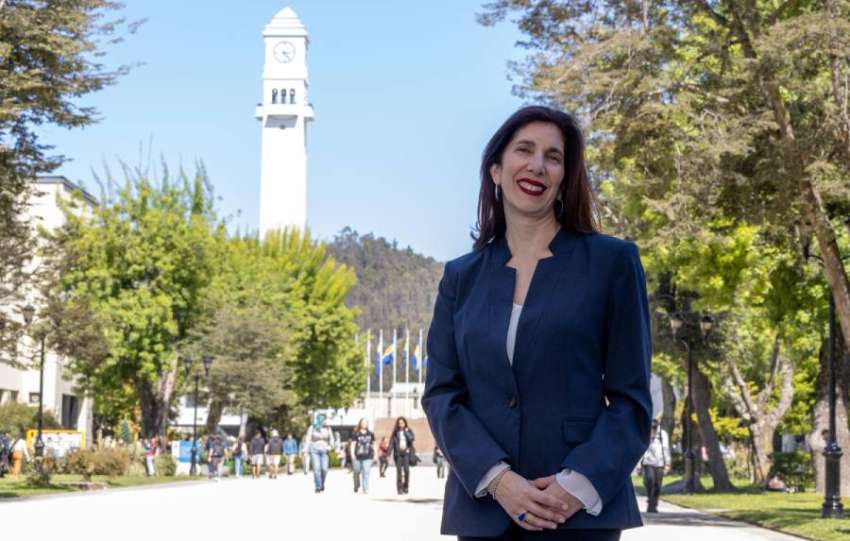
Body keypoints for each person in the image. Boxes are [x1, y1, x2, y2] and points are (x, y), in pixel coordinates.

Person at [421, 106, 652, 540]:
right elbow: (442, 396)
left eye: (553, 156)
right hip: (484, 512)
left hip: (578, 515)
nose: (537, 165)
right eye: (524, 150)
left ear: (565, 176)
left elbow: (631, 401)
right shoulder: (460, 277)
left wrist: (575, 486)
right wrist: (499, 481)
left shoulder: (612, 263)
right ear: (495, 169)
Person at [638, 419, 670, 513]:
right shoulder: (646, 432)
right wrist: (639, 464)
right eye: (651, 427)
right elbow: (641, 449)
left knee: (658, 485)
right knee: (650, 481)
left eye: (654, 428)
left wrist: (667, 463)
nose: (653, 430)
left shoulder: (662, 435)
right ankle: (650, 503)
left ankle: (654, 503)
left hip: (660, 463)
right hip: (648, 462)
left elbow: (666, 448)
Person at [303, 413, 334, 493]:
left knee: (324, 469)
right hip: (314, 450)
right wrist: (305, 450)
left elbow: (332, 439)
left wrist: (330, 447)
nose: (322, 421)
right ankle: (318, 486)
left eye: (324, 419)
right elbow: (308, 439)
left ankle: (322, 483)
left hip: (324, 450)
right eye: (320, 419)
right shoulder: (312, 427)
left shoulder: (328, 428)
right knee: (316, 469)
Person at [389, 416, 415, 495]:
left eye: (402, 423)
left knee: (406, 470)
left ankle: (406, 486)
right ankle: (399, 488)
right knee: (399, 472)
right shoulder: (395, 432)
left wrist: (406, 432)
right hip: (398, 454)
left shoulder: (408, 430)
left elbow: (411, 439)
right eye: (399, 423)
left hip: (406, 453)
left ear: (405, 423)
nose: (401, 424)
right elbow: (391, 443)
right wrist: (389, 453)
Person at [349, 417, 376, 494]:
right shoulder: (356, 434)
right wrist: (352, 454)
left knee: (366, 472)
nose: (364, 424)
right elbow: (353, 445)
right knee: (356, 471)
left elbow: (374, 444)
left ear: (367, 424)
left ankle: (365, 488)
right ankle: (356, 485)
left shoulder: (370, 434)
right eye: (363, 422)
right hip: (357, 456)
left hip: (368, 456)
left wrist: (375, 454)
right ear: (360, 423)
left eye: (366, 422)